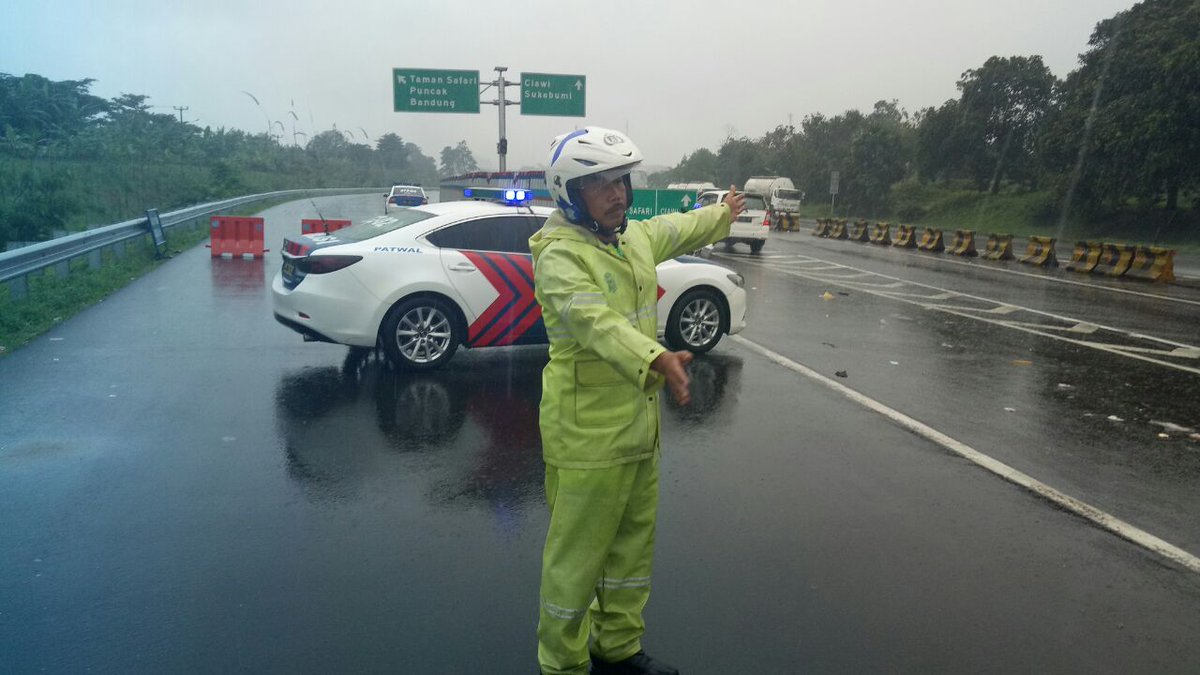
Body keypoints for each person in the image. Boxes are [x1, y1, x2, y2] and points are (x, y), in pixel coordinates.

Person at [529, 127, 745, 675]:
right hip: (585, 440)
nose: (617, 194)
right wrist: (655, 357)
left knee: (629, 556)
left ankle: (618, 647)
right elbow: (592, 321)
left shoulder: (630, 239)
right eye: (600, 184)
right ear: (569, 193)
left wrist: (722, 213)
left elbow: (676, 225)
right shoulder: (559, 257)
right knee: (575, 567)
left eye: (621, 181)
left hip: (638, 434)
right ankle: (562, 664)